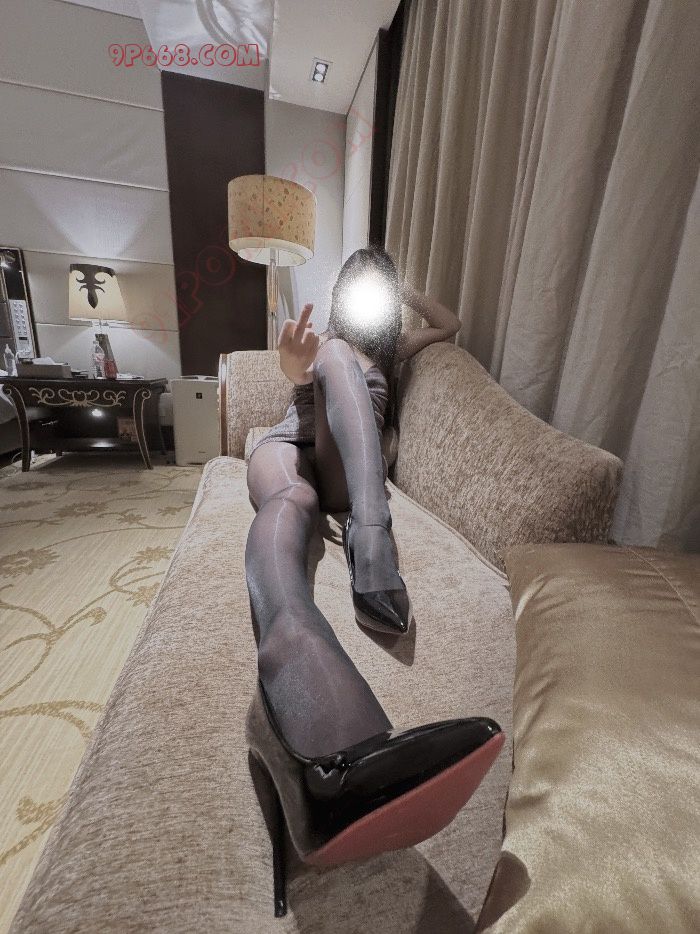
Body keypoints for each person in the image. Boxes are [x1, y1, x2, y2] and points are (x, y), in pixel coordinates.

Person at [244, 246, 504, 917]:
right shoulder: (325, 341)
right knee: (291, 503)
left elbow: (448, 323)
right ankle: (325, 760)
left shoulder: (392, 351)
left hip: (344, 473)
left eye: (374, 289)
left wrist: (396, 291)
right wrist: (295, 367)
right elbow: (302, 372)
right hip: (288, 450)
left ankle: (370, 532)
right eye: (354, 286)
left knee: (338, 358)